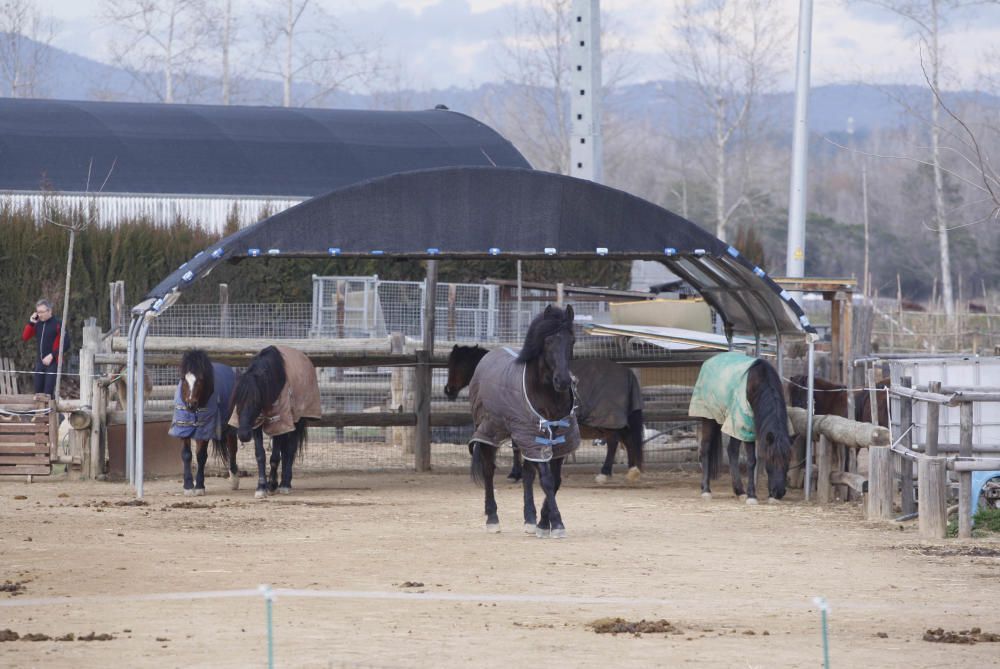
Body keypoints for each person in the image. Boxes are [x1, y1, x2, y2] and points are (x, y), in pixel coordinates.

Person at [21, 298, 63, 397]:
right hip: (40, 363)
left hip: (53, 362)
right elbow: (25, 337)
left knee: (48, 393)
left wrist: (52, 355)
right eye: (38, 312)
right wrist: (31, 323)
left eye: (42, 312)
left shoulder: (58, 323)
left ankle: (50, 412)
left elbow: (66, 343)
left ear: (49, 311)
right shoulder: (38, 324)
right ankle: (40, 412)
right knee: (38, 392)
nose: (39, 315)